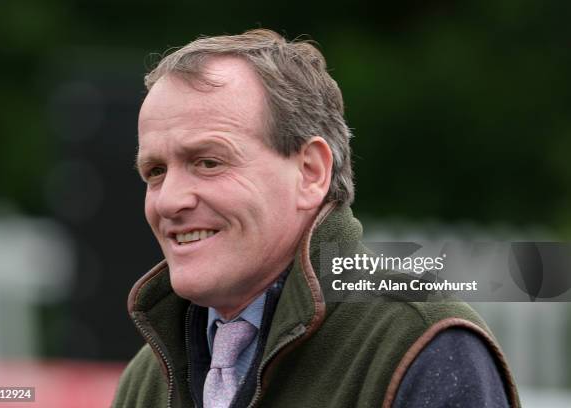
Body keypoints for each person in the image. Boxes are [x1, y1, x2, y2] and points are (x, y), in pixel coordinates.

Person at [113, 29, 520, 408]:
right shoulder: (147, 381)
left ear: (311, 172)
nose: (169, 201)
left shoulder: (421, 347)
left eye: (208, 162)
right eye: (155, 172)